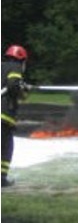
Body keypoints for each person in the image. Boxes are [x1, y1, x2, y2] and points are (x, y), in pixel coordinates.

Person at [2, 44, 34, 187]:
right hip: (3, 115)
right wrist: (23, 88)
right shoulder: (14, 67)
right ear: (21, 60)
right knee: (6, 146)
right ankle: (1, 178)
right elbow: (14, 86)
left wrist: (23, 88)